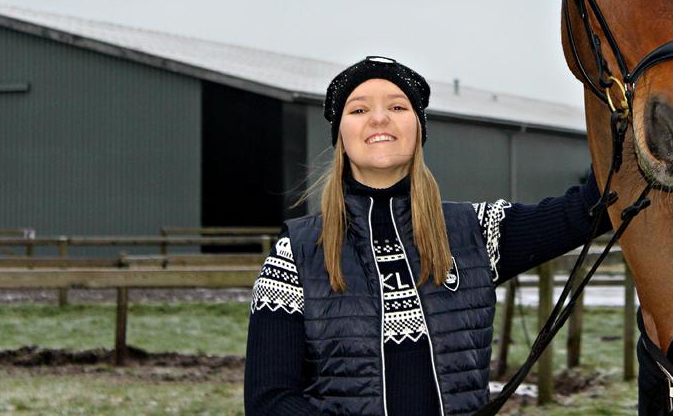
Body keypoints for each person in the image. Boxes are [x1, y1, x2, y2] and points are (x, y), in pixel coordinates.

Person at [244, 56, 605, 415]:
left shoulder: (476, 231)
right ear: (340, 135)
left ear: (419, 129)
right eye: (358, 110)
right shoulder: (297, 251)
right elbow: (270, 400)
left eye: (398, 106)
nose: (380, 117)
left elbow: (593, 207)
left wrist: (618, 99)